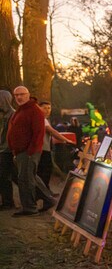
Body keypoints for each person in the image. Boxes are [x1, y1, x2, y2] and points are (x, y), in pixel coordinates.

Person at [7, 86, 57, 216]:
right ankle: (48, 199)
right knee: (31, 177)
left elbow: (38, 133)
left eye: (22, 94)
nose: (19, 97)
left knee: (25, 179)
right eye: (16, 95)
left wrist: (30, 151)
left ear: (28, 95)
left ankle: (30, 208)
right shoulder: (21, 110)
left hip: (28, 151)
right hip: (20, 151)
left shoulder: (34, 110)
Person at [37, 101, 75, 190]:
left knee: (44, 172)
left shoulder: (43, 119)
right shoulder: (42, 119)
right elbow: (53, 132)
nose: (47, 110)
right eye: (44, 108)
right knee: (45, 172)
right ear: (39, 108)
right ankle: (44, 195)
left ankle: (45, 192)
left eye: (49, 108)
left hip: (44, 148)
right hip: (42, 149)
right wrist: (66, 140)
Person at [0, 90, 16, 210]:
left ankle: (8, 202)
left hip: (7, 151)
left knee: (6, 177)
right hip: (2, 149)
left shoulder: (13, 114)